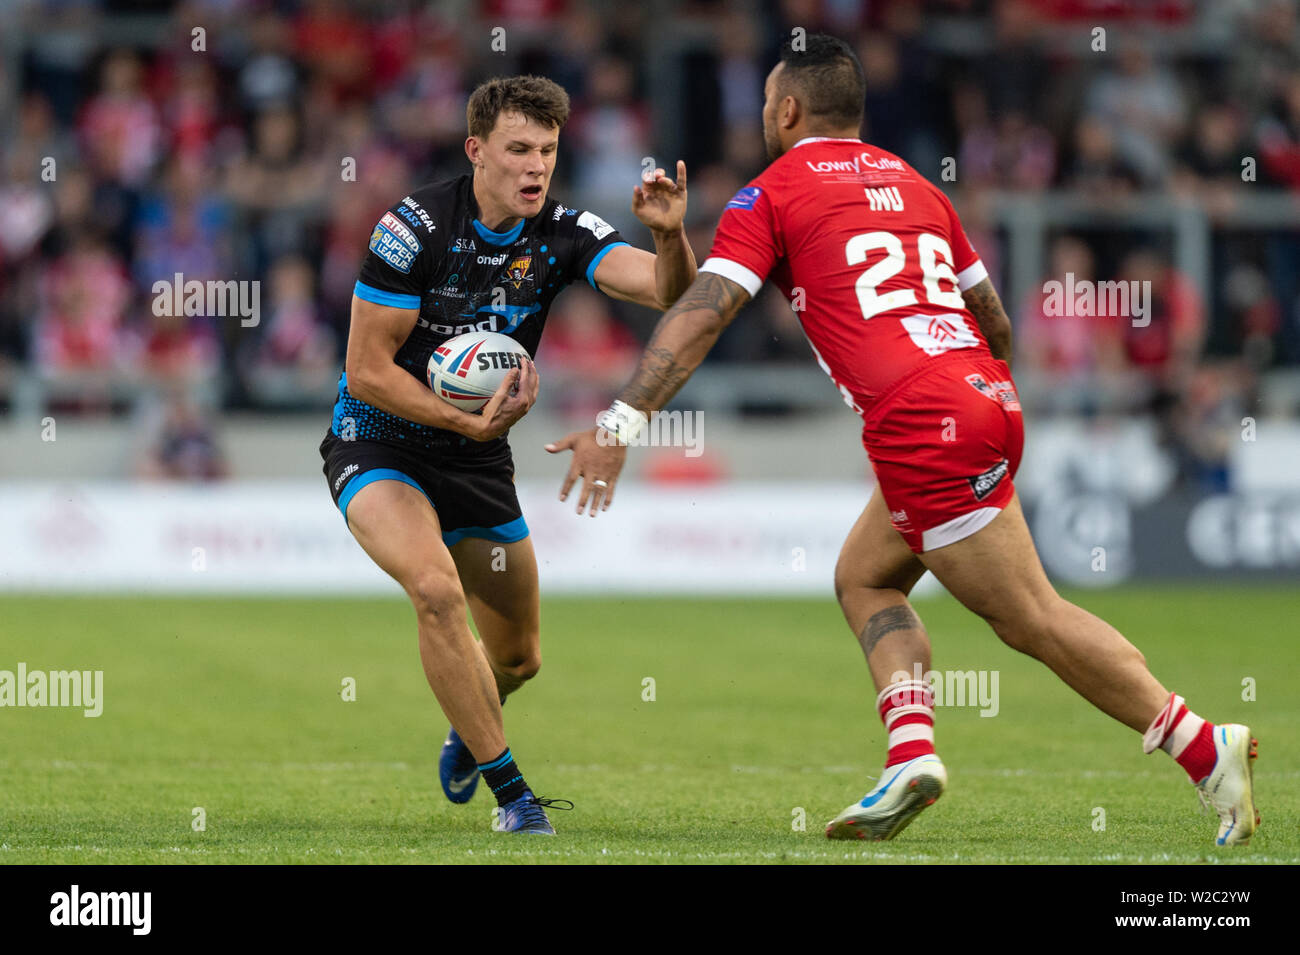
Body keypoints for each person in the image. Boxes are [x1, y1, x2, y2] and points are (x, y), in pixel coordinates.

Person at [547, 35, 1258, 846]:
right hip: (981, 396)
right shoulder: (920, 186)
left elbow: (702, 312)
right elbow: (994, 321)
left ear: (786, 110)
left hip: (923, 422)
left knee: (1032, 617)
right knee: (865, 577)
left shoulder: (770, 192)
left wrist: (619, 422)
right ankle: (910, 752)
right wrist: (975, 401)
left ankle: (1204, 746)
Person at [320, 75, 695, 834]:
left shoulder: (563, 230)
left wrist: (669, 235)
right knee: (434, 590)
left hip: (478, 458)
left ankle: (470, 726)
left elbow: (669, 293)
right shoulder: (414, 227)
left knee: (519, 658)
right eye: (519, 149)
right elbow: (367, 368)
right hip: (378, 440)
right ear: (476, 151)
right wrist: (463, 425)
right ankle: (515, 796)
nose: (536, 167)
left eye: (549, 151)